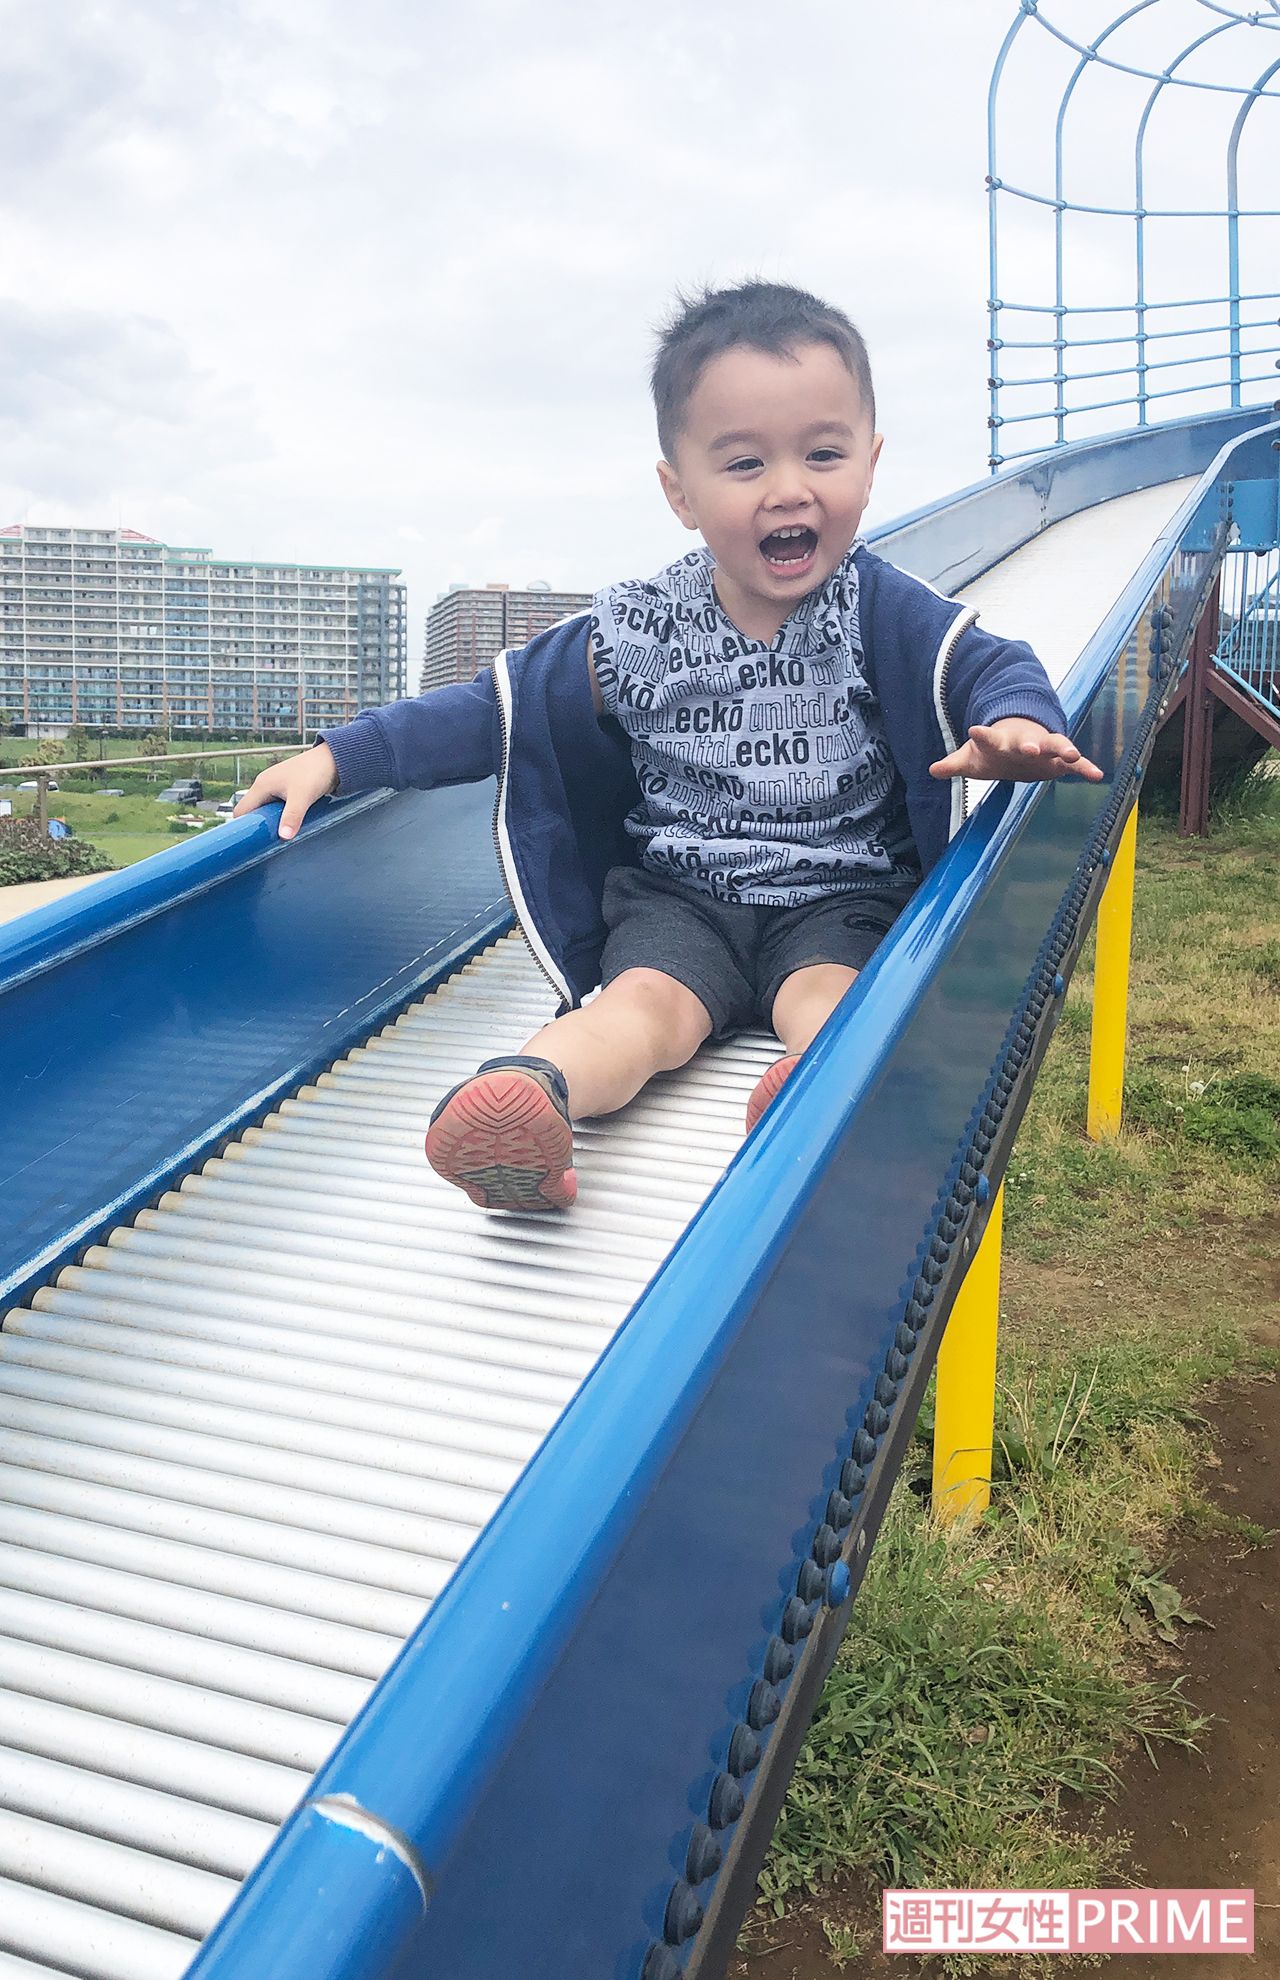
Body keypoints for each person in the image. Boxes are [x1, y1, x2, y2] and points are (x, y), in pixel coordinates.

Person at [236, 281, 1101, 1213]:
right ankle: (523, 1097)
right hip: (680, 898)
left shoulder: (877, 607)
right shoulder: (636, 630)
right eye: (743, 465)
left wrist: (1018, 724)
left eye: (823, 452)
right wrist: (343, 755)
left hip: (841, 892)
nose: (790, 488)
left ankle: (816, 1095)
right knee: (638, 1010)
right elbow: (496, 708)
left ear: (871, 462)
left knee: (828, 994)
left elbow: (984, 660)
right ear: (679, 492)